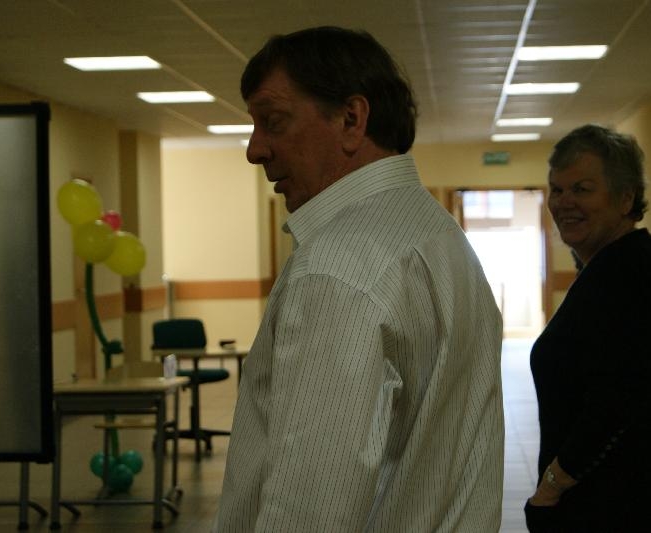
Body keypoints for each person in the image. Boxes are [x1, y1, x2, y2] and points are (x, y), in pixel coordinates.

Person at [213, 26, 504, 532]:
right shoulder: (439, 234)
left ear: (351, 119)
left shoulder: (337, 268)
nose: (255, 150)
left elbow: (310, 506)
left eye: (273, 122)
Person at [524, 124, 651, 532]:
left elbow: (617, 398)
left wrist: (553, 485)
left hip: (628, 505)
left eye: (582, 189)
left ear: (626, 198)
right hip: (638, 496)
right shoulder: (637, 258)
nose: (564, 202)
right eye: (557, 189)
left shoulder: (628, 272)